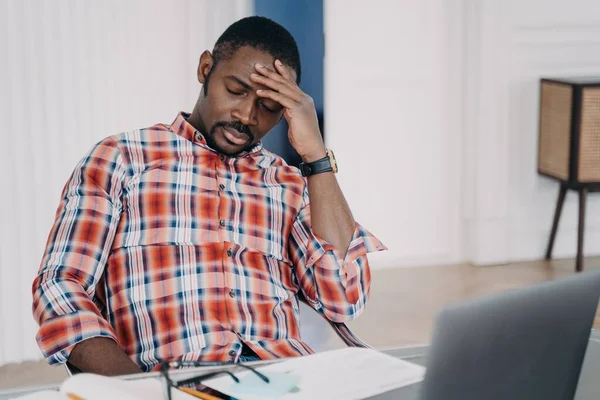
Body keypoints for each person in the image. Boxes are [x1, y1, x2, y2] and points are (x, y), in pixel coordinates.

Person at [32, 16, 385, 376]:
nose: (246, 116)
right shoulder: (122, 159)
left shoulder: (289, 184)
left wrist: (316, 158)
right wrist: (136, 389)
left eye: (268, 106)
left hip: (287, 378)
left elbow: (343, 299)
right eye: (235, 90)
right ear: (205, 69)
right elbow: (60, 287)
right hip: (178, 379)